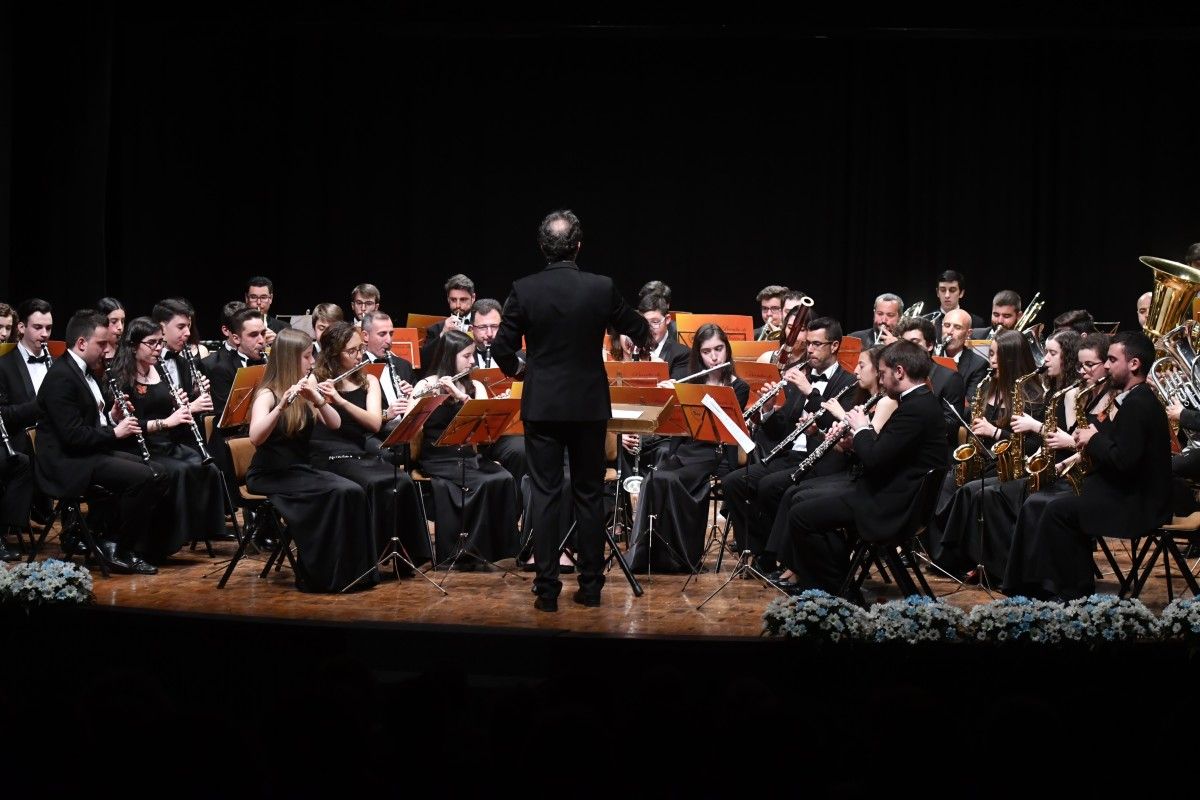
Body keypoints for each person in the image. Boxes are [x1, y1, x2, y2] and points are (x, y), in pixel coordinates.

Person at [493, 209, 650, 612]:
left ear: (543, 248)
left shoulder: (524, 289)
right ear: (578, 246)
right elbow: (638, 328)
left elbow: (501, 349)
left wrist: (523, 370)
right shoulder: (601, 287)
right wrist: (636, 342)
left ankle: (546, 591)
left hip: (543, 404)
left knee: (544, 495)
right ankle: (592, 586)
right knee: (588, 493)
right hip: (588, 405)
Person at [1002, 331, 1170, 600]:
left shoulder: (1139, 403)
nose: (1107, 365)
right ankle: (1041, 586)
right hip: (1125, 493)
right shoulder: (1133, 399)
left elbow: (1124, 461)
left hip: (1138, 504)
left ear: (1134, 364)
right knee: (1047, 504)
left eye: (1113, 360)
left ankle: (1071, 592)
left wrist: (1093, 439)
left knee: (1058, 511)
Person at [781, 340, 948, 597]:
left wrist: (861, 427)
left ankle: (834, 592)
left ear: (899, 372)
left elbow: (875, 458)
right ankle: (831, 583)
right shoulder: (920, 402)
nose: (880, 381)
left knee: (802, 514)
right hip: (891, 493)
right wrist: (853, 443)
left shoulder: (915, 409)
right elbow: (887, 452)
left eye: (882, 373)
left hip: (891, 505)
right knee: (803, 499)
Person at [35, 310, 168, 574]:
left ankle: (110, 538)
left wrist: (111, 416)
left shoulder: (84, 371)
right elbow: (73, 436)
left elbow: (88, 420)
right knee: (145, 477)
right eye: (102, 344)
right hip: (66, 464)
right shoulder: (62, 377)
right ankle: (117, 546)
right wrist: (115, 433)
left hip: (85, 454)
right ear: (82, 343)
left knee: (159, 471)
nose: (108, 351)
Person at [245, 328, 377, 593]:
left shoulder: (309, 386)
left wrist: (318, 400)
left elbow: (335, 423)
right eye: (307, 357)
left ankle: (355, 573)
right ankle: (321, 575)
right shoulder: (267, 394)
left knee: (354, 491)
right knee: (337, 493)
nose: (313, 363)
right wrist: (281, 406)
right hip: (271, 474)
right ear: (290, 359)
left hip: (300, 470)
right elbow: (256, 438)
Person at [723, 316, 858, 568]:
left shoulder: (849, 383)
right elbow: (781, 429)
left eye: (817, 344)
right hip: (787, 456)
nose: (809, 350)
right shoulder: (799, 377)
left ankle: (781, 556)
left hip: (821, 461)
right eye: (808, 344)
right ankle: (755, 551)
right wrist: (770, 410)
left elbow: (839, 429)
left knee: (769, 487)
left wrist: (811, 392)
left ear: (835, 346)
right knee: (734, 482)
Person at [767, 344, 898, 589]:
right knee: (794, 492)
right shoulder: (866, 398)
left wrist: (841, 415)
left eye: (862, 365)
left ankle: (808, 571)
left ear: (879, 371)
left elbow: (871, 446)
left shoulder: (886, 402)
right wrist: (819, 435)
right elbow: (850, 446)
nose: (856, 370)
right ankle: (792, 565)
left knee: (800, 499)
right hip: (853, 470)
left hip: (862, 479)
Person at [624, 324, 749, 573]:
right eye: (706, 352)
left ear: (727, 349)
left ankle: (679, 556)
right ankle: (650, 554)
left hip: (715, 453)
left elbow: (727, 430)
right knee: (655, 477)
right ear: (698, 355)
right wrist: (670, 398)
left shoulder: (739, 387)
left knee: (671, 479)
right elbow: (673, 427)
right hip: (686, 450)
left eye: (719, 349)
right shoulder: (689, 382)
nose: (714, 357)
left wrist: (698, 395)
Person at [310, 322, 429, 567]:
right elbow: (321, 423)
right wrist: (322, 397)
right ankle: (369, 556)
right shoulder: (315, 380)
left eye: (360, 349)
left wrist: (341, 401)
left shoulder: (368, 381)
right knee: (374, 484)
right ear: (333, 353)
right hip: (326, 453)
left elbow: (374, 424)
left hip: (358, 451)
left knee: (402, 480)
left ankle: (405, 555)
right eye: (351, 351)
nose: (359, 356)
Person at [930, 328, 1045, 580]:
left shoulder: (1033, 396)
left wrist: (994, 433)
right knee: (948, 480)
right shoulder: (986, 388)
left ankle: (974, 560)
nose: (991, 361)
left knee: (971, 490)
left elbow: (1034, 446)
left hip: (1012, 466)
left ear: (1011, 359)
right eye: (990, 355)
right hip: (985, 459)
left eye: (995, 356)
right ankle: (945, 556)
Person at [111, 317, 224, 562]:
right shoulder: (121, 378)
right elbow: (130, 424)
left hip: (165, 443)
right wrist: (168, 421)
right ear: (133, 345)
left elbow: (162, 405)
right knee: (179, 471)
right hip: (138, 447)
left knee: (207, 467)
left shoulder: (159, 368)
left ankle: (198, 530)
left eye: (160, 343)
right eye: (151, 343)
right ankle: (164, 542)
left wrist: (183, 402)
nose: (157, 349)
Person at [411, 329, 519, 570]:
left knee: (504, 478)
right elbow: (412, 425)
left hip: (468, 455)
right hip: (438, 457)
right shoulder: (427, 384)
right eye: (467, 356)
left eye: (472, 356)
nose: (472, 361)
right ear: (450, 356)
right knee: (480, 483)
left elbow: (483, 426)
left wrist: (460, 395)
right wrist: (428, 397)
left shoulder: (475, 386)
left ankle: (492, 550)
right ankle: (465, 551)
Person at [469, 298, 526, 489]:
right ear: (472, 328)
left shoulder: (520, 359)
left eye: (495, 326)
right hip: (471, 432)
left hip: (507, 432)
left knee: (521, 451)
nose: (490, 334)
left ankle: (516, 514)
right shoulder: (461, 358)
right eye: (482, 327)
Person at [895, 316, 966, 442]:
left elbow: (951, 425)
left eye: (915, 342)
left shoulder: (950, 378)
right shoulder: (897, 373)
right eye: (904, 343)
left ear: (930, 345)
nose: (908, 349)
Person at [360, 311, 415, 431]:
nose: (389, 340)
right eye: (382, 334)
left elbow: (416, 410)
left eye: (391, 333)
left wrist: (412, 397)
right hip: (372, 437)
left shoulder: (404, 366)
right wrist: (386, 415)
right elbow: (355, 414)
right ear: (365, 336)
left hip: (403, 434)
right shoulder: (357, 369)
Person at [419, 273, 476, 368]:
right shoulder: (436, 329)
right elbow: (424, 360)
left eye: (463, 300)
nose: (458, 305)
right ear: (448, 299)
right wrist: (443, 334)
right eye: (453, 300)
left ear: (473, 298)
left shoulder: (482, 326)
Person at [939, 308, 989, 401]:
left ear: (968, 334)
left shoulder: (979, 365)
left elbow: (969, 404)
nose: (950, 332)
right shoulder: (929, 357)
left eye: (957, 327)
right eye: (947, 325)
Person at [246, 276, 288, 345]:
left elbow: (291, 354)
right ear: (247, 298)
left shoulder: (284, 328)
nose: (259, 302)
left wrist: (278, 343)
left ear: (270, 298)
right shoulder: (237, 326)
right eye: (253, 297)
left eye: (263, 297)